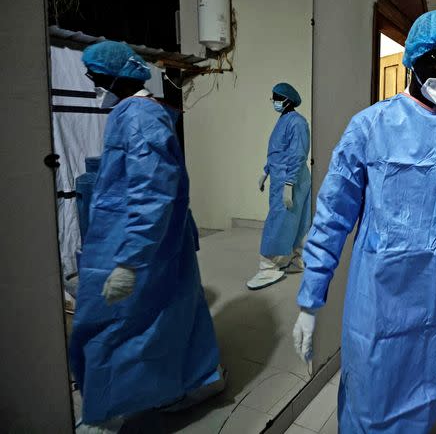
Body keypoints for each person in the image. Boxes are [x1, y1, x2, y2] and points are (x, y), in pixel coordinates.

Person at [292, 10, 436, 433]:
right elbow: (332, 218)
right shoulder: (370, 128)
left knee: (426, 401)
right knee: (369, 405)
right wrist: (309, 299)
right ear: (412, 62)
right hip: (381, 310)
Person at [69, 41, 223, 432]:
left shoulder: (139, 118)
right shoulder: (136, 113)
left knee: (118, 323)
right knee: (171, 312)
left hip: (139, 243)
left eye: (95, 75)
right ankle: (192, 382)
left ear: (115, 75)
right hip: (147, 239)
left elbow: (152, 190)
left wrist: (130, 260)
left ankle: (108, 408)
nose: (92, 80)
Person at [247, 82, 312, 290]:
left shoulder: (297, 122)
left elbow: (298, 154)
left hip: (292, 180)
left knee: (281, 220)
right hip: (281, 178)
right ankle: (296, 260)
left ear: (287, 100)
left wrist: (289, 183)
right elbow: (277, 152)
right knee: (293, 220)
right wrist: (265, 172)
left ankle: (268, 268)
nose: (274, 101)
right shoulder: (283, 120)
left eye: (276, 97)